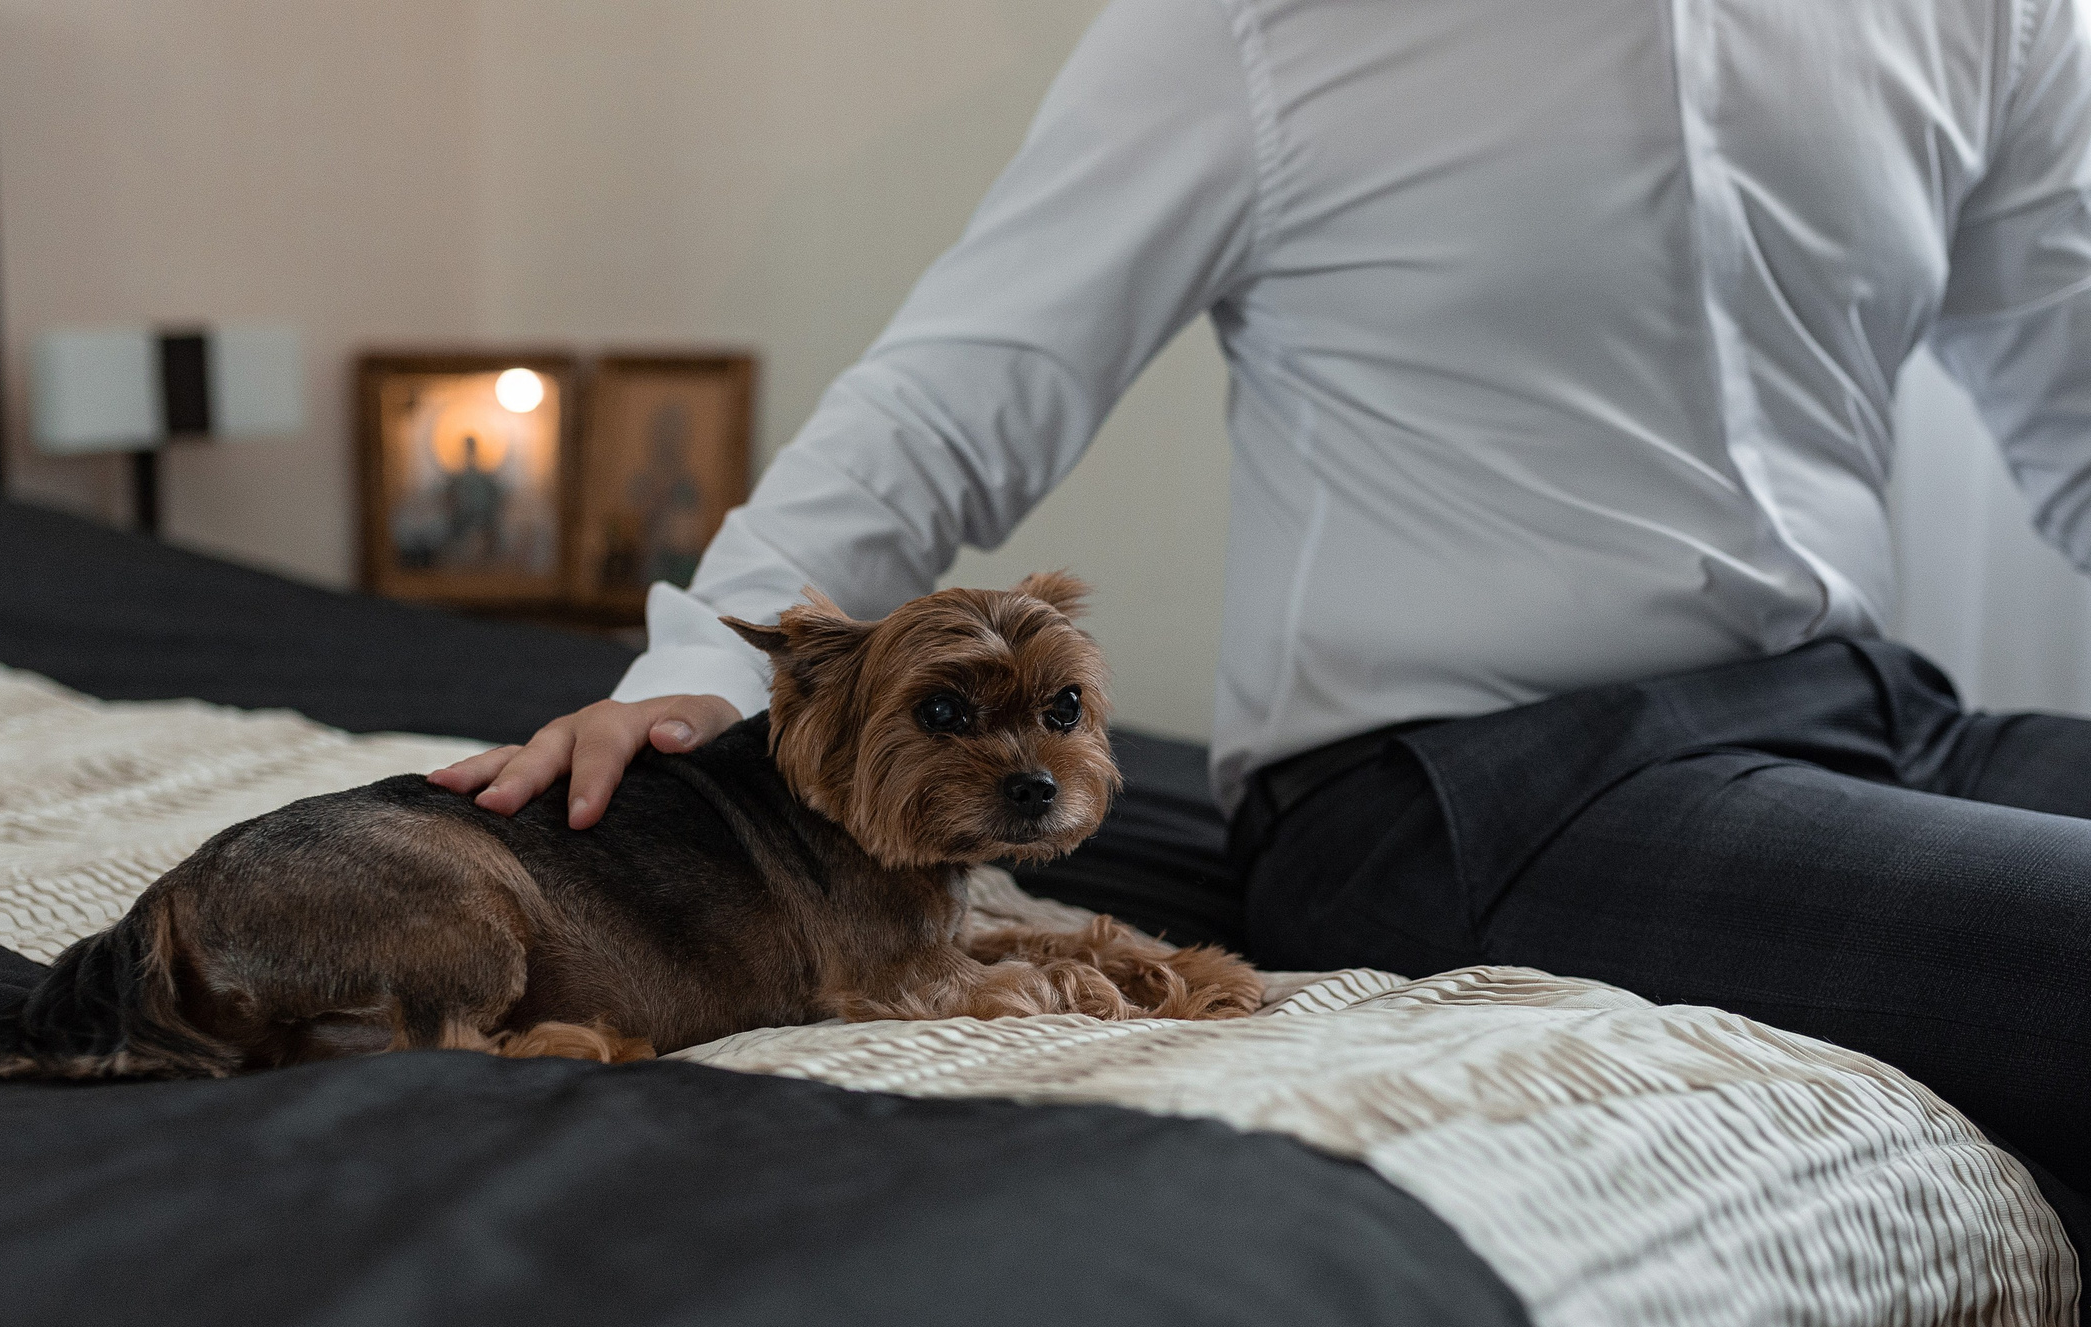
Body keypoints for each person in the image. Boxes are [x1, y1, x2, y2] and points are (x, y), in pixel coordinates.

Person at [431, 0, 2091, 1175]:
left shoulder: (1989, 16)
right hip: (1472, 787)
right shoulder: (1262, 24)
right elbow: (954, 401)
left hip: (1874, 712)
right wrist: (699, 685)